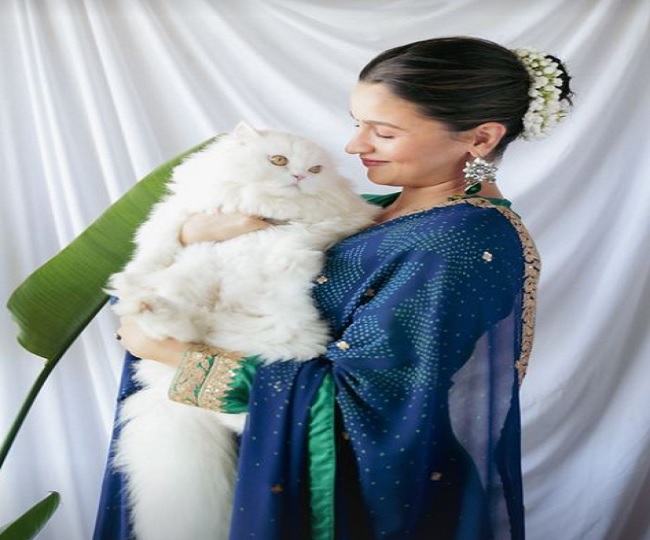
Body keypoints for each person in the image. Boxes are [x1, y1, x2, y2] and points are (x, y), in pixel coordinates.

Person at [94, 36, 573, 539]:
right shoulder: (367, 210)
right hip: (242, 461)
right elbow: (182, 281)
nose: (354, 146)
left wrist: (176, 355)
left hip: (345, 500)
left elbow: (361, 404)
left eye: (383, 133)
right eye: (357, 123)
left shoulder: (458, 241)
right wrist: (190, 234)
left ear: (480, 138)